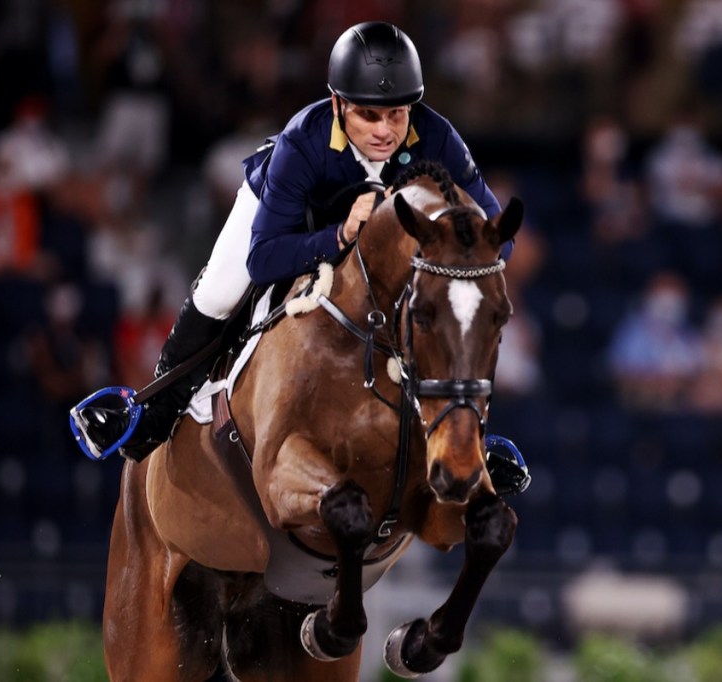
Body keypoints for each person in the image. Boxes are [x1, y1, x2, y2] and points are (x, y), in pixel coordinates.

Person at [73, 22, 512, 469]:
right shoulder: (303, 141)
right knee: (220, 291)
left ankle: (472, 439)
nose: (384, 131)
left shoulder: (437, 137)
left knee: (450, 315)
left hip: (375, 256)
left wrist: (452, 267)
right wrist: (339, 234)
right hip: (287, 223)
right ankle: (155, 409)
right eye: (368, 115)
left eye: (396, 114)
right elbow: (264, 260)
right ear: (339, 104)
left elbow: (498, 237)